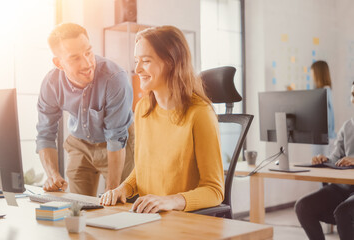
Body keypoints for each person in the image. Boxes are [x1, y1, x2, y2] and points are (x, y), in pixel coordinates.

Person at [100, 25, 225, 213]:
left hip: (184, 221)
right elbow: (142, 169)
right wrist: (123, 188)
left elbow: (214, 191)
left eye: (146, 61)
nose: (137, 69)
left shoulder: (200, 113)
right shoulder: (143, 109)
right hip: (147, 218)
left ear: (171, 62)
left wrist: (171, 201)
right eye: (136, 60)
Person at [36, 23, 134, 196]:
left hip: (118, 143)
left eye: (88, 52)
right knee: (78, 207)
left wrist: (112, 190)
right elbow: (45, 134)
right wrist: (52, 175)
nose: (88, 63)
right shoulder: (51, 83)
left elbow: (116, 138)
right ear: (59, 63)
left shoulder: (115, 79)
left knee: (123, 205)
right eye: (75, 58)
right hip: (79, 142)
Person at [295, 82, 354, 240]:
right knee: (303, 207)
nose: (353, 99)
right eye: (353, 95)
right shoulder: (348, 126)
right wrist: (325, 159)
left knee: (343, 212)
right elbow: (336, 156)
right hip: (342, 187)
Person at [311, 60, 336, 157]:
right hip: (321, 136)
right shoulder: (324, 91)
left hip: (324, 137)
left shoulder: (325, 92)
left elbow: (328, 117)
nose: (312, 76)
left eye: (313, 72)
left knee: (320, 163)